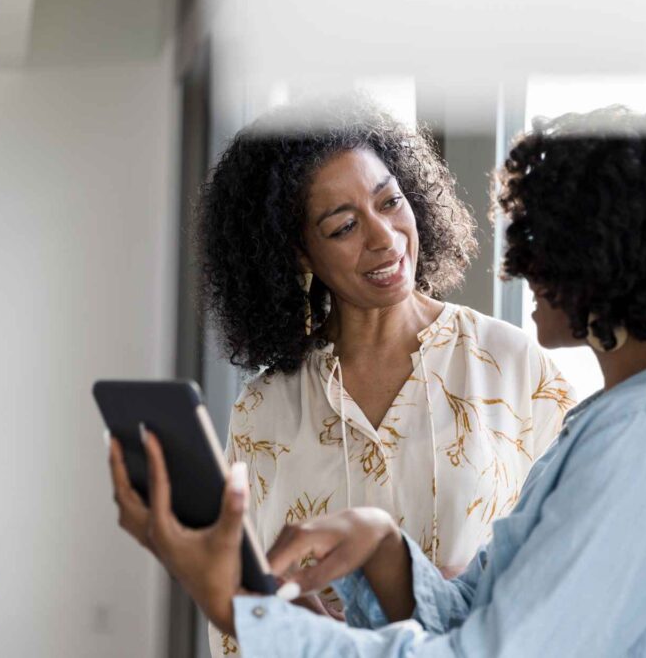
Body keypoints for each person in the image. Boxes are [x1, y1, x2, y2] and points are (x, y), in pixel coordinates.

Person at [109, 105, 646, 656]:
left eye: (540, 239)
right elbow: (475, 614)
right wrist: (384, 547)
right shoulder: (628, 421)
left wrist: (235, 605)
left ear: (607, 255)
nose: (518, 264)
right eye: (342, 225)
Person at [193, 97, 574, 654]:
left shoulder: (512, 363)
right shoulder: (264, 408)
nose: (384, 237)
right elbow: (239, 614)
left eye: (390, 201)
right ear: (299, 253)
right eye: (344, 226)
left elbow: (572, 558)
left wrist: (462, 592)